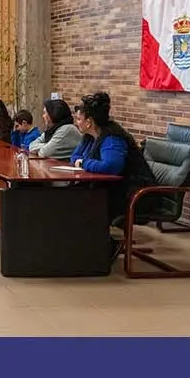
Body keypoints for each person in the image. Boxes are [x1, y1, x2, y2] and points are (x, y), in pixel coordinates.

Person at [71, 92, 157, 258]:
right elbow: (74, 157)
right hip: (115, 189)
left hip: (134, 195)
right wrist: (81, 161)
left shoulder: (112, 138)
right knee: (75, 197)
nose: (76, 122)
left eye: (79, 119)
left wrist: (84, 163)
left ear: (89, 122)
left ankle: (104, 245)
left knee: (83, 201)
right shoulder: (89, 137)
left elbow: (111, 167)